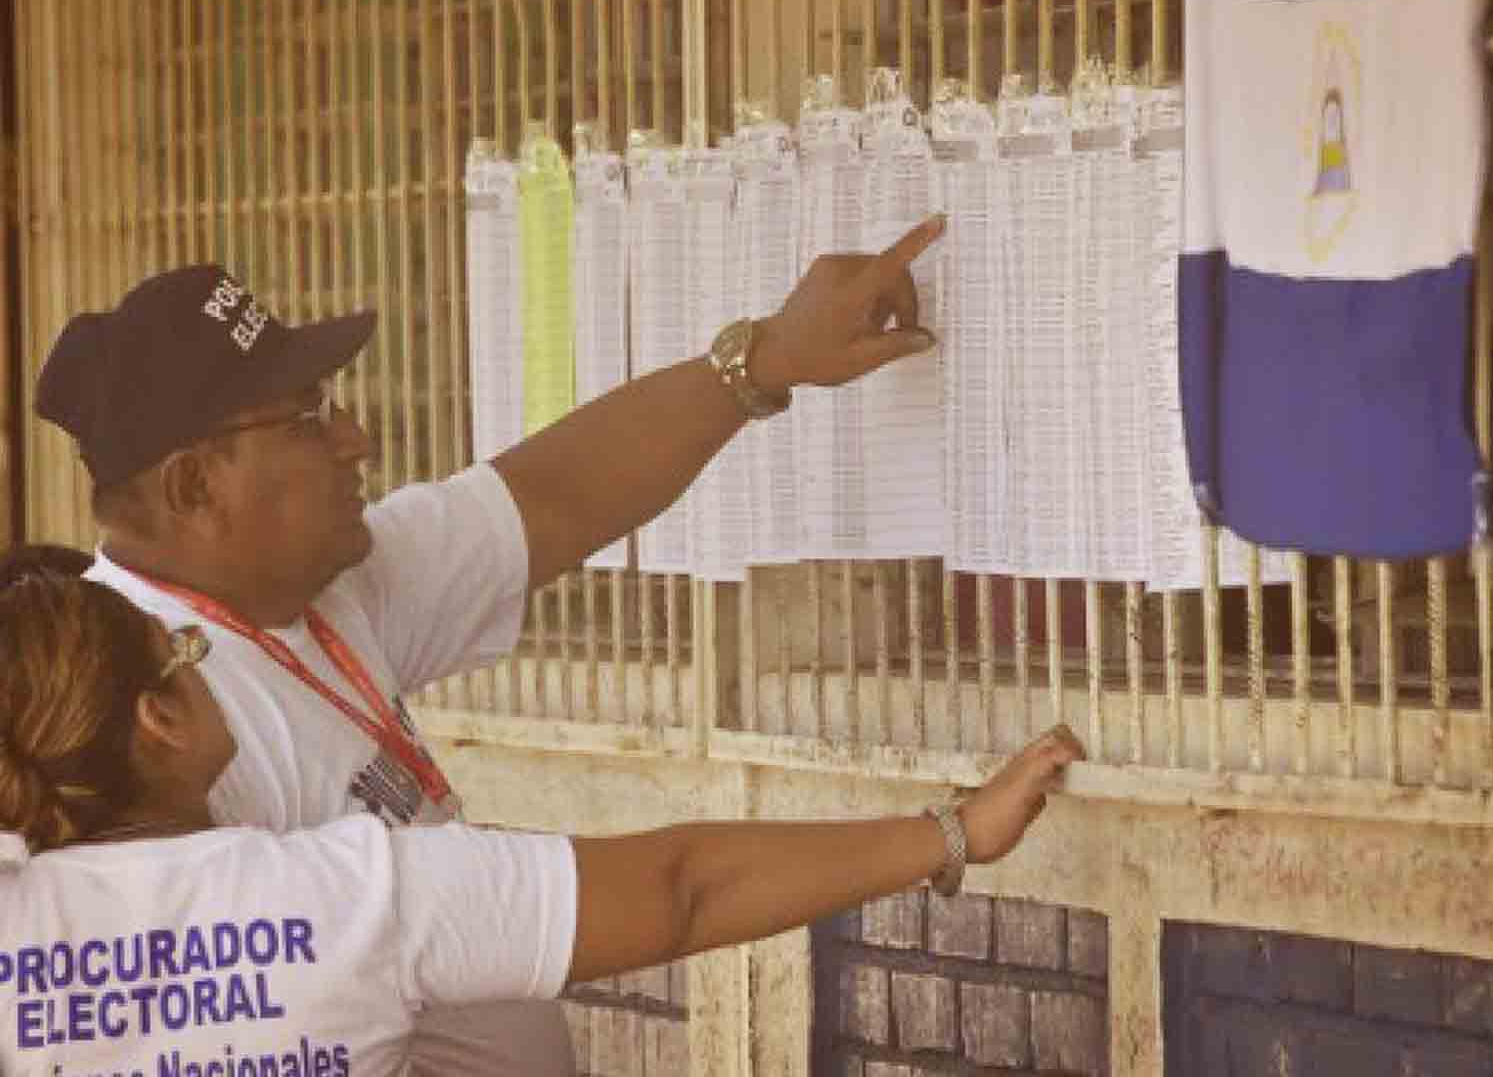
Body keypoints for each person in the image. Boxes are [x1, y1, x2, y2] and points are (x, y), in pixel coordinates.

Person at [31, 217, 948, 1075]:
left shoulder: (319, 583)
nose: (354, 438)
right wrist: (946, 834)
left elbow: (553, 495)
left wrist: (769, 357)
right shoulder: (143, 724)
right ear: (195, 487)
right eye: (306, 417)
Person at [0, 572, 1083, 1075]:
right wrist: (953, 832)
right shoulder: (348, 895)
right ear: (157, 720)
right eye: (187, 660)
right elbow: (680, 887)